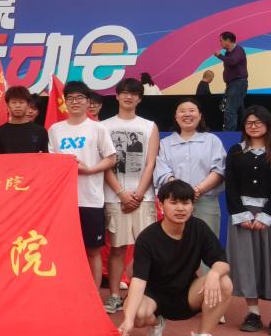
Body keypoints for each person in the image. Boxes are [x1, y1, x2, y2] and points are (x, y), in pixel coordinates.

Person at [117, 180, 232, 336]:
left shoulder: (199, 228)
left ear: (192, 206)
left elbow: (222, 262)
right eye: (174, 202)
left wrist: (214, 273)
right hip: (153, 297)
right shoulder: (147, 238)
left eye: (185, 203)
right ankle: (157, 324)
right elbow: (138, 280)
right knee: (137, 315)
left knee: (224, 282)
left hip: (186, 295)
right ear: (161, 205)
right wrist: (128, 320)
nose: (180, 208)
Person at [225, 105, 271, 336]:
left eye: (258, 122)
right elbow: (231, 186)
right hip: (243, 216)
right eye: (249, 122)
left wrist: (267, 216)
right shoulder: (236, 152)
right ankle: (253, 313)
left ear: (268, 125)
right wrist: (241, 215)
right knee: (246, 262)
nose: (253, 126)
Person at [47, 81, 117, 287]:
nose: (75, 102)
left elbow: (111, 158)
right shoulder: (55, 130)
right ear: (65, 102)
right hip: (64, 201)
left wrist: (90, 170)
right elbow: (52, 162)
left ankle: (93, 295)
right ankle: (68, 291)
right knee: (64, 249)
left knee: (93, 250)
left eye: (79, 98)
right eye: (70, 98)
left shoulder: (98, 129)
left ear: (88, 102)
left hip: (91, 199)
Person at [101, 77, 159, 313]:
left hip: (144, 198)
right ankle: (115, 296)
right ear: (116, 96)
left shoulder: (149, 126)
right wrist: (121, 193)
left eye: (134, 93)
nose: (128, 96)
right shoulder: (104, 126)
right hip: (114, 197)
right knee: (117, 248)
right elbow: (105, 163)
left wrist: (139, 194)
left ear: (139, 99)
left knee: (147, 249)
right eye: (124, 92)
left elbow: (151, 162)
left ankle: (143, 295)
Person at [155, 99, 226, 239]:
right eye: (182, 111)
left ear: (200, 116)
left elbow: (219, 170)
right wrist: (182, 192)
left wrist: (197, 190)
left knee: (207, 243)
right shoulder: (165, 143)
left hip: (205, 201)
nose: (187, 114)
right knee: (176, 244)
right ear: (176, 117)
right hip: (175, 202)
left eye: (192, 111)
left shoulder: (212, 140)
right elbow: (162, 171)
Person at [0, 86, 47, 153]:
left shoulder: (40, 131)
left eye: (21, 102)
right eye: (14, 102)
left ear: (28, 105)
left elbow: (46, 156)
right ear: (7, 105)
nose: (18, 106)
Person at [214, 31, 248, 131]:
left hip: (237, 83)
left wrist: (219, 56)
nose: (220, 43)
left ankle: (229, 133)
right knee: (239, 110)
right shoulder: (228, 53)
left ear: (228, 40)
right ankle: (244, 131)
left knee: (230, 109)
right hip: (233, 84)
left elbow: (233, 62)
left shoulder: (238, 50)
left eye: (221, 41)